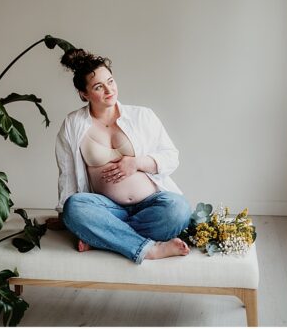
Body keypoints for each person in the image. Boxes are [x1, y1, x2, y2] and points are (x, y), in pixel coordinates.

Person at [54, 48, 191, 263]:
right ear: (84, 94)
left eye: (111, 81)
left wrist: (137, 163)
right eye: (99, 86)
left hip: (151, 204)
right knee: (74, 207)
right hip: (107, 209)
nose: (109, 90)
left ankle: (105, 237)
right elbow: (67, 174)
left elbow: (171, 156)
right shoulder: (73, 124)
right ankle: (148, 249)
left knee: (179, 209)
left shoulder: (142, 115)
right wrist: (69, 217)